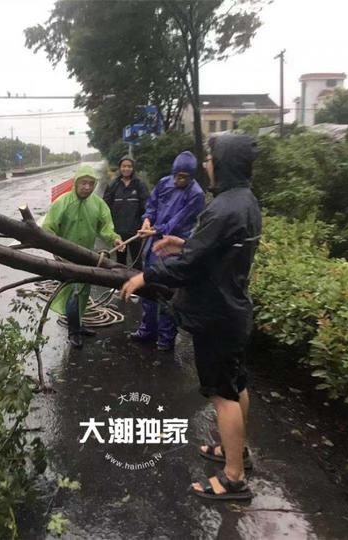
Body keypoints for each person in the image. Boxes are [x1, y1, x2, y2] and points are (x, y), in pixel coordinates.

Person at [121, 133, 262, 501]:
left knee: (223, 395)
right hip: (232, 308)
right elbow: (212, 250)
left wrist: (145, 276)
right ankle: (237, 452)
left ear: (227, 162)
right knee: (236, 385)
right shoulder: (244, 202)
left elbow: (190, 267)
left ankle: (234, 478)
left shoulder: (224, 207)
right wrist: (182, 243)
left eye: (213, 158)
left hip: (216, 314)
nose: (208, 165)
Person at [43, 164, 124, 349]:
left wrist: (115, 239)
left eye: (90, 184)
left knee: (84, 293)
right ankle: (73, 332)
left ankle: (79, 324)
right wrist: (56, 250)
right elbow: (48, 229)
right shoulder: (62, 203)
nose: (87, 187)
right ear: (76, 183)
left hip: (88, 256)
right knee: (74, 292)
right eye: (83, 183)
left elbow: (106, 227)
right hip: (66, 258)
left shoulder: (97, 204)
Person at [131, 151, 205, 350]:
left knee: (167, 291)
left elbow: (177, 221)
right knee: (148, 287)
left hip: (173, 245)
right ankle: (148, 330)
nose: (180, 180)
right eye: (178, 176)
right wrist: (147, 219)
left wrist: (156, 229)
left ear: (191, 177)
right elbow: (152, 205)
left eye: (185, 177)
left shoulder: (196, 194)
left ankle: (166, 338)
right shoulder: (164, 183)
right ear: (173, 173)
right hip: (153, 241)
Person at [102, 155, 149, 268]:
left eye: (129, 166)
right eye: (124, 166)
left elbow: (147, 206)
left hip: (135, 232)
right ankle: (121, 285)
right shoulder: (114, 185)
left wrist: (146, 224)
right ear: (120, 168)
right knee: (120, 262)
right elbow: (105, 207)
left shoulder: (139, 185)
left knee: (137, 262)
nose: (126, 169)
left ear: (133, 168)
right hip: (118, 233)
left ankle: (138, 285)